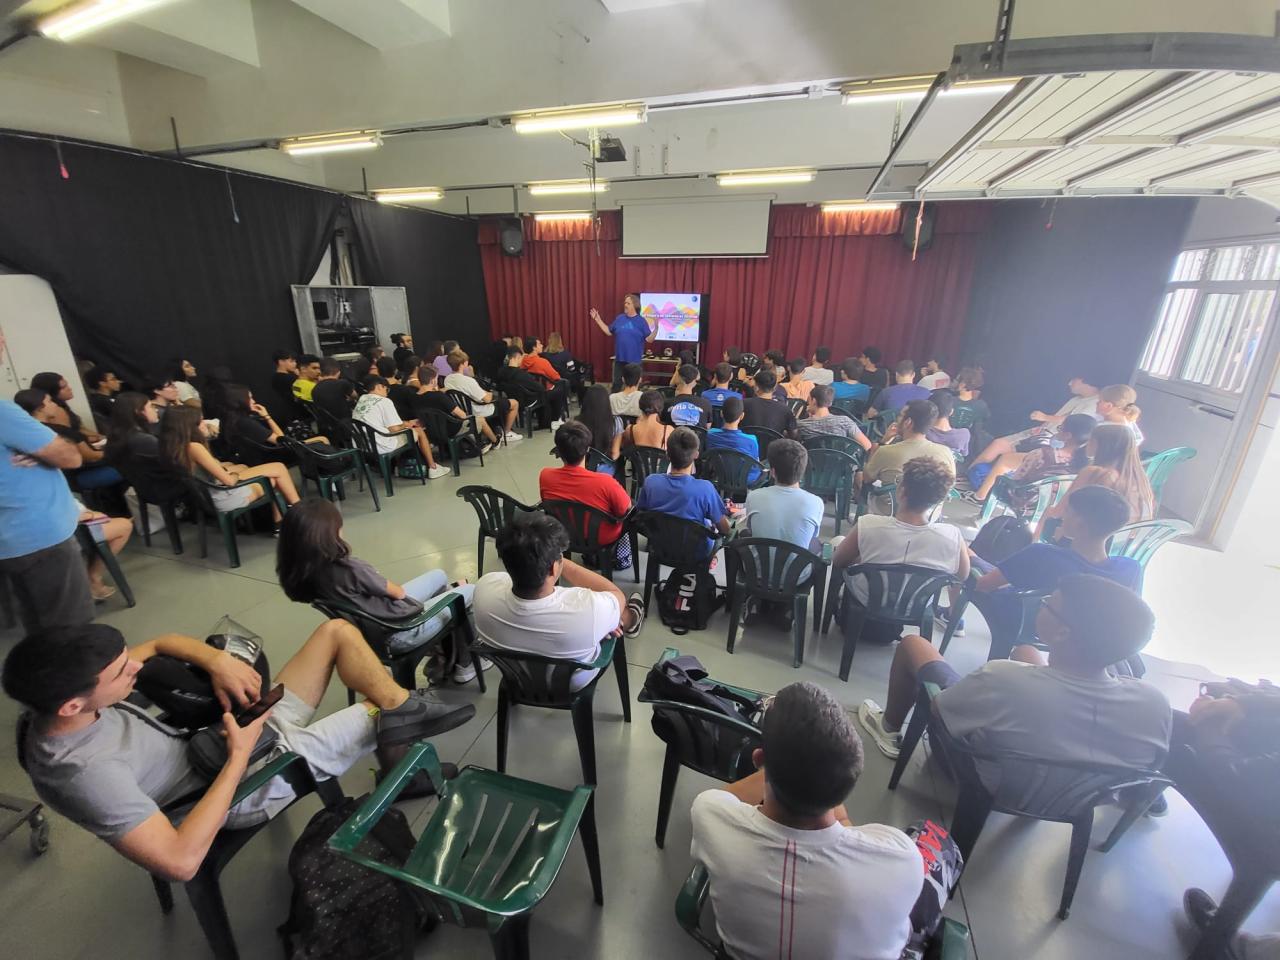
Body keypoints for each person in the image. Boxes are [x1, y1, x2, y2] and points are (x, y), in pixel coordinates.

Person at [3, 618, 477, 879]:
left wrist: (215, 661)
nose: (135, 668)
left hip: (221, 741)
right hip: (237, 786)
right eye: (120, 672)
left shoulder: (54, 704)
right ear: (72, 705)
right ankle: (406, 731)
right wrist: (237, 755)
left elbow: (161, 640)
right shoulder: (84, 773)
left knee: (337, 632)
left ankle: (405, 722)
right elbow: (180, 861)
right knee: (378, 710)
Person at [690, 681, 924, 960]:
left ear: (759, 759)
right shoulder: (901, 856)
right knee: (938, 843)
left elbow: (721, 797)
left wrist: (776, 767)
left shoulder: (710, 814)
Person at [856, 575, 1171, 781]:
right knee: (1025, 651)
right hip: (1068, 795)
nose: (1042, 607)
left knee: (914, 645)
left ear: (1062, 632)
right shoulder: (1154, 703)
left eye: (1048, 604)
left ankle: (888, 727)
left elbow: (941, 711)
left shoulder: (1003, 678)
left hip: (978, 774)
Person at [276, 497, 482, 682]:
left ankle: (444, 654)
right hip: (400, 631)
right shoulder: (349, 568)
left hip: (369, 629)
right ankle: (465, 664)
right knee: (470, 591)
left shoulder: (307, 573)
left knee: (439, 576)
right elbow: (398, 593)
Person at [960, 485, 1142, 659]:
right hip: (1080, 631)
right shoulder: (1129, 569)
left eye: (1068, 511)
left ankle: (953, 618)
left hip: (1021, 618)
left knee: (965, 554)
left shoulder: (1042, 554)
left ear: (1079, 523)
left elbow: (984, 585)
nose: (1062, 516)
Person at [473, 511, 645, 691]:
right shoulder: (590, 608)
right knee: (616, 616)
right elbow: (615, 594)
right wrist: (555, 561)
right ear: (554, 568)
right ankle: (630, 619)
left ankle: (608, 623)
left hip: (516, 678)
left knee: (604, 618)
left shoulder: (484, 589)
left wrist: (538, 559)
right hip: (572, 684)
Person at [0, 342, 93, 632]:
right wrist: (42, 451)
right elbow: (72, 457)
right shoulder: (5, 413)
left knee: (39, 627)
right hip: (40, 536)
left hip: (11, 542)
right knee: (69, 632)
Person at [834, 457, 968, 610]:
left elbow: (839, 561)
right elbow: (962, 575)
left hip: (867, 598)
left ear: (902, 491)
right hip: (916, 605)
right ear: (939, 499)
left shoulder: (869, 524)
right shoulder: (952, 536)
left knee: (838, 542)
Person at [159, 406, 300, 525]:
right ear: (190, 427)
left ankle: (280, 524)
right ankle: (299, 514)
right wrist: (235, 474)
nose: (204, 424)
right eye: (200, 422)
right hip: (223, 497)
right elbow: (229, 481)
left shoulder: (172, 446)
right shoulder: (195, 447)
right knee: (278, 470)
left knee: (246, 468)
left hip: (205, 497)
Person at [1034, 422, 1154, 539]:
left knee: (1049, 512)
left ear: (1098, 444)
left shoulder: (1095, 473)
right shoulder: (1140, 479)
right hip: (1123, 546)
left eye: (1090, 439)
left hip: (1091, 546)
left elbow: (1058, 513)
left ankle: (1034, 549)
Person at [541, 421, 633, 567]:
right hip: (601, 538)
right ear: (588, 449)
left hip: (565, 532)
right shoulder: (606, 482)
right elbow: (626, 510)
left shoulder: (545, 476)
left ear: (558, 450)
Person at [969, 375, 1100, 470]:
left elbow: (1071, 421)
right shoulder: (1077, 399)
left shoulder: (1094, 403)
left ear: (1084, 380)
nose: (1069, 383)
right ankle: (972, 474)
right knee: (998, 444)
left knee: (1003, 452)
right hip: (1042, 432)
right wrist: (1042, 425)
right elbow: (1059, 416)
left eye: (1073, 380)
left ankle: (982, 488)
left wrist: (1044, 417)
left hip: (1052, 441)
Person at [965, 412, 1094, 506]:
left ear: (1067, 435)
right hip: (1052, 506)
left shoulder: (1042, 454)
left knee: (1005, 461)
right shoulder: (1087, 466)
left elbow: (1019, 478)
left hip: (1024, 501)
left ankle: (980, 495)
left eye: (1060, 428)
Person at [636, 427, 731, 546]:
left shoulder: (650, 482)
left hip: (659, 547)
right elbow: (725, 530)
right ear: (696, 455)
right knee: (708, 524)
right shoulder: (705, 489)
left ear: (667, 454)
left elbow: (641, 516)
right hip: (695, 553)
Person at [15, 388, 121, 493]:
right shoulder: (57, 431)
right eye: (50, 401)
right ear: (40, 408)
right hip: (76, 478)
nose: (55, 405)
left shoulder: (27, 434)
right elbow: (91, 457)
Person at [861, 400, 955, 512]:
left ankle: (860, 518)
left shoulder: (886, 451)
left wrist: (883, 442)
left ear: (908, 422)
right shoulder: (945, 452)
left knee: (863, 481)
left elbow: (867, 478)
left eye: (900, 415)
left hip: (890, 512)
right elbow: (950, 485)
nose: (897, 419)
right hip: (929, 514)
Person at [352, 376, 451, 479]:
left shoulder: (362, 399)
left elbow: (385, 424)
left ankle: (399, 468)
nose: (387, 392)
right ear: (379, 387)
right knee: (419, 431)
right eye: (386, 389)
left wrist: (407, 423)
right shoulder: (384, 401)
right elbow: (394, 429)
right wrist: (409, 424)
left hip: (363, 445)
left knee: (408, 430)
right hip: (382, 445)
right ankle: (433, 467)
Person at [743, 439, 824, 551]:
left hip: (758, 567)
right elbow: (812, 537)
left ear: (772, 472)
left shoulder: (754, 496)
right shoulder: (816, 502)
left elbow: (751, 531)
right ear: (802, 472)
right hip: (798, 568)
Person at [410, 363, 496, 453]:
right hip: (451, 429)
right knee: (479, 419)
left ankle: (476, 443)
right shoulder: (439, 397)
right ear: (432, 381)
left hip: (431, 432)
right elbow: (462, 415)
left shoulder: (414, 397)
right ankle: (495, 441)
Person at [444, 350, 521, 443]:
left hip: (463, 410)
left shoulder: (447, 379)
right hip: (478, 409)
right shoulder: (468, 381)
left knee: (501, 401)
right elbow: (487, 399)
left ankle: (497, 428)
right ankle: (507, 432)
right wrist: (490, 393)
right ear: (464, 364)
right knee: (514, 403)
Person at [590, 293, 656, 390]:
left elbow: (649, 339)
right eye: (625, 303)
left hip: (634, 363)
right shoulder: (620, 318)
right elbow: (609, 331)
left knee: (633, 388)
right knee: (616, 386)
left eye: (628, 303)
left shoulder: (641, 321)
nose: (625, 305)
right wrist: (598, 320)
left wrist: (656, 328)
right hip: (619, 361)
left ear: (635, 305)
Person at [71, 499, 132, 602]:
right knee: (125, 525)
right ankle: (94, 577)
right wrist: (90, 515)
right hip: (70, 532)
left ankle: (89, 575)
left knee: (110, 521)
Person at [30, 371, 101, 443]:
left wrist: (100, 437)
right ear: (51, 392)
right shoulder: (56, 411)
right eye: (63, 387)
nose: (69, 388)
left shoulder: (64, 407)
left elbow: (80, 429)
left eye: (67, 385)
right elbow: (68, 437)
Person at [796, 384, 871, 449]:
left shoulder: (802, 425)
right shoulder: (844, 421)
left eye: (808, 400)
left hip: (812, 464)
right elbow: (867, 445)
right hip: (839, 464)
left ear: (814, 401)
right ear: (830, 403)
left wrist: (800, 412)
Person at [706, 396, 761, 483]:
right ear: (742, 416)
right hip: (743, 481)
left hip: (718, 477)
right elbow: (755, 464)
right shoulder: (751, 440)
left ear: (721, 414)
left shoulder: (710, 434)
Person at [574, 384, 624, 464]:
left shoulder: (576, 422)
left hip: (583, 466)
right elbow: (615, 454)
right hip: (604, 469)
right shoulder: (616, 421)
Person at [741, 369, 797, 437]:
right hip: (773, 447)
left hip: (746, 446)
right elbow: (794, 435)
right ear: (774, 388)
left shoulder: (743, 404)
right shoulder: (785, 410)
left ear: (756, 387)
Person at [665, 364, 713, 428]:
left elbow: (662, 427)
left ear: (678, 378)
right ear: (695, 382)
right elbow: (706, 429)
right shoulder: (706, 404)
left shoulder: (666, 404)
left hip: (672, 437)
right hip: (697, 438)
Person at [924, 391, 970, 459]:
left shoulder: (923, 432)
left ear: (929, 411)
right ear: (951, 412)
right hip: (949, 468)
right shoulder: (963, 435)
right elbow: (964, 454)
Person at [310, 358, 355, 424]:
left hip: (327, 424)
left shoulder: (314, 389)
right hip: (345, 423)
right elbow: (355, 396)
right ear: (338, 372)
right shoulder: (342, 383)